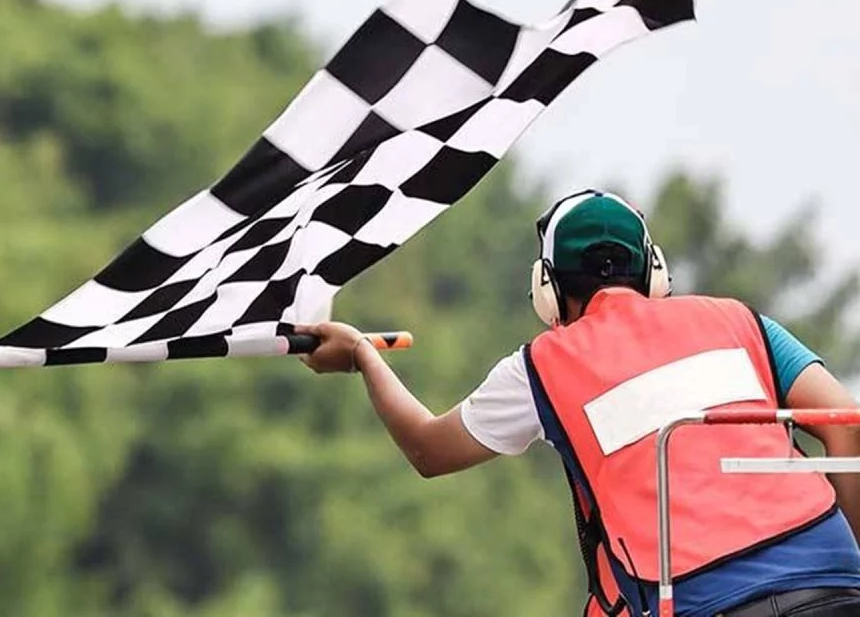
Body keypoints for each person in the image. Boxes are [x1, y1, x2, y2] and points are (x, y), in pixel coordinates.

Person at [296, 189, 860, 617]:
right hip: (837, 588)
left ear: (547, 288)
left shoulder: (541, 364)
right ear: (654, 272)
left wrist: (364, 358)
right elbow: (846, 428)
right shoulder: (740, 320)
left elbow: (427, 448)